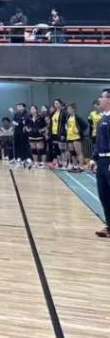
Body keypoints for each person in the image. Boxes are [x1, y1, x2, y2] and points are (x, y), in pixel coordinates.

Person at [91, 89, 110, 238]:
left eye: (102, 97)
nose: (99, 100)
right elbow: (98, 141)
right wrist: (94, 158)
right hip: (102, 161)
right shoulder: (102, 118)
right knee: (104, 195)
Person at [64, 104, 87, 172]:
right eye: (68, 109)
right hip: (69, 137)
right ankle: (75, 166)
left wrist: (79, 131)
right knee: (72, 152)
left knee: (78, 152)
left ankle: (81, 166)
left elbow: (85, 125)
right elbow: (68, 125)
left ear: (74, 109)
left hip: (76, 137)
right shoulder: (68, 117)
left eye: (70, 109)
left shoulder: (77, 117)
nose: (68, 110)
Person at [48, 99, 66, 168]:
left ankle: (65, 163)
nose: (56, 105)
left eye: (57, 103)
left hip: (60, 133)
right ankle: (59, 162)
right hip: (53, 133)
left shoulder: (64, 113)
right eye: (55, 103)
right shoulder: (53, 113)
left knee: (62, 149)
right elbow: (51, 123)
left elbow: (65, 124)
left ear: (60, 104)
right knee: (56, 148)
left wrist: (63, 133)